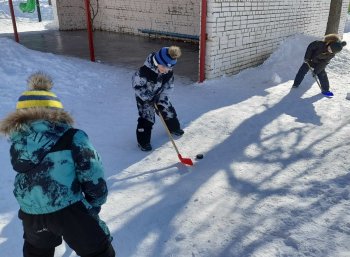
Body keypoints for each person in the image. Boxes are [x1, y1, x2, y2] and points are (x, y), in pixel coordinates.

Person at [0, 72, 115, 257]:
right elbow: (93, 171)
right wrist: (94, 202)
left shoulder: (18, 142)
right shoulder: (72, 137)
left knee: (37, 252)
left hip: (32, 212)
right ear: (56, 113)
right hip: (69, 210)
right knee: (99, 251)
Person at [132, 46, 184, 151]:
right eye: (164, 67)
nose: (166, 70)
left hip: (160, 94)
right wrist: (148, 97)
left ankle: (173, 128)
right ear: (157, 62)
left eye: (169, 68)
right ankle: (143, 141)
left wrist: (162, 98)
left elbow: (169, 86)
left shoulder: (168, 71)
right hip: (145, 97)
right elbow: (137, 86)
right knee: (147, 117)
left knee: (167, 109)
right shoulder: (144, 72)